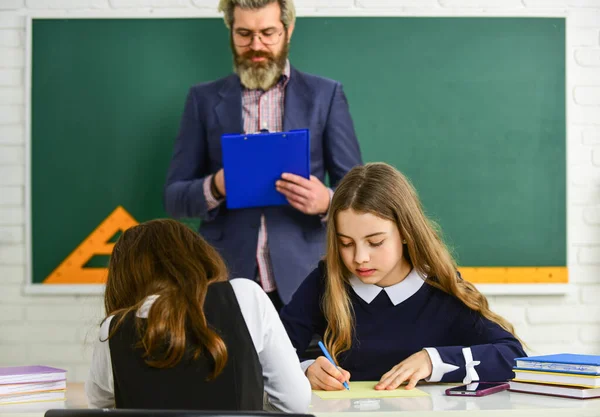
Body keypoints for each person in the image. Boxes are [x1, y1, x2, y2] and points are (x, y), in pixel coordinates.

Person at [163, 0, 363, 310]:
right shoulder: (202, 100)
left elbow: (359, 193)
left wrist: (326, 201)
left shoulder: (326, 95)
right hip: (223, 280)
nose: (256, 45)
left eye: (268, 33)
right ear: (230, 31)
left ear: (288, 30)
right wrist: (215, 186)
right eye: (244, 33)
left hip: (307, 279)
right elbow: (173, 197)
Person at [280, 162, 527, 391]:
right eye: (346, 243)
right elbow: (272, 352)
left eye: (375, 242)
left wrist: (432, 361)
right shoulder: (326, 282)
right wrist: (305, 369)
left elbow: (513, 357)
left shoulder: (439, 288)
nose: (359, 258)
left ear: (406, 232)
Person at [85, 219, 311, 412]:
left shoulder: (113, 328)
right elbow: (294, 402)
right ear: (197, 257)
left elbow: (102, 406)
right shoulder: (244, 295)